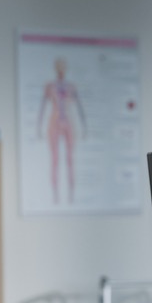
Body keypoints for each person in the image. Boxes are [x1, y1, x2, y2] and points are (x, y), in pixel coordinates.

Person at [37, 57, 86, 204]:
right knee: (55, 160)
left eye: (63, 67)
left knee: (70, 160)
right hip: (54, 122)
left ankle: (71, 196)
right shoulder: (50, 86)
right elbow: (42, 107)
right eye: (58, 67)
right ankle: (55, 197)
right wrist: (38, 127)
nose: (61, 70)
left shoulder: (71, 87)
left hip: (69, 122)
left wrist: (84, 127)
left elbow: (79, 107)